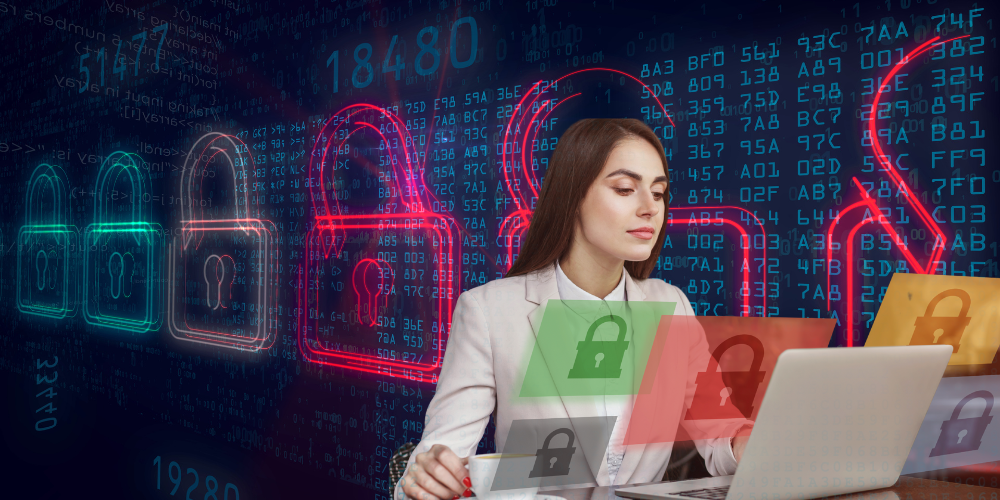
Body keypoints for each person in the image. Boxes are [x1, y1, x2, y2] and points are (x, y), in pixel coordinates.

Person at [395, 119, 753, 500]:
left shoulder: (671, 305)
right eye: (625, 189)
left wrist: (746, 443)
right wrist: (426, 480)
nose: (650, 208)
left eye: (659, 192)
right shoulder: (489, 312)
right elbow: (436, 462)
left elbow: (719, 432)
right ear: (574, 196)